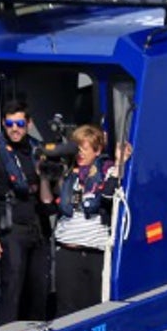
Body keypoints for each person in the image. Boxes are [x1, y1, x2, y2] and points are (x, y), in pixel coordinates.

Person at [0, 99, 52, 326]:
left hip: (38, 229)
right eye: (9, 124)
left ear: (28, 123)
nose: (14, 128)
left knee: (39, 289)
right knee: (12, 288)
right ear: (3, 123)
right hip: (12, 231)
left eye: (19, 123)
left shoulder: (39, 151)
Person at [47, 124, 131, 318]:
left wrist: (120, 162)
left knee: (94, 309)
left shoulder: (108, 171)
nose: (80, 154)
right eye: (77, 149)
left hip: (95, 251)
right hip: (68, 250)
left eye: (84, 149)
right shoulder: (67, 173)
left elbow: (109, 197)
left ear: (97, 150)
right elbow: (49, 204)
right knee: (66, 309)